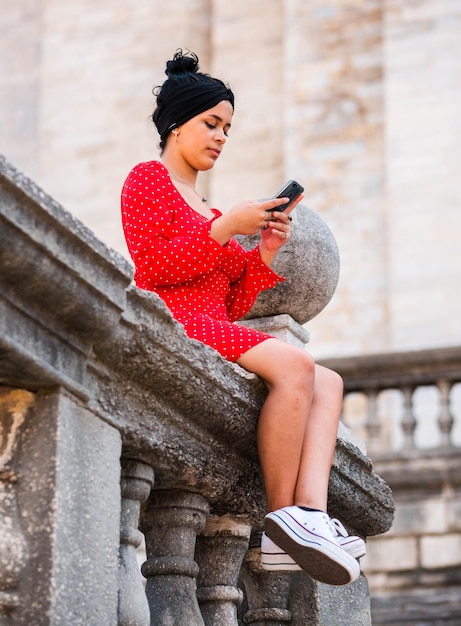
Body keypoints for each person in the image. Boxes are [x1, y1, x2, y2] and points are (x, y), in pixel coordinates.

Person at [121, 49, 365, 586]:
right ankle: (285, 522)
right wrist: (227, 225)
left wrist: (268, 250)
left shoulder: (207, 206)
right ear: (176, 124)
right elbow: (155, 268)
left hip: (212, 323)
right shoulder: (147, 181)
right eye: (211, 124)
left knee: (328, 381)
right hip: (179, 323)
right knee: (298, 368)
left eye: (227, 129)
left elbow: (233, 304)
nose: (220, 138)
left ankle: (312, 516)